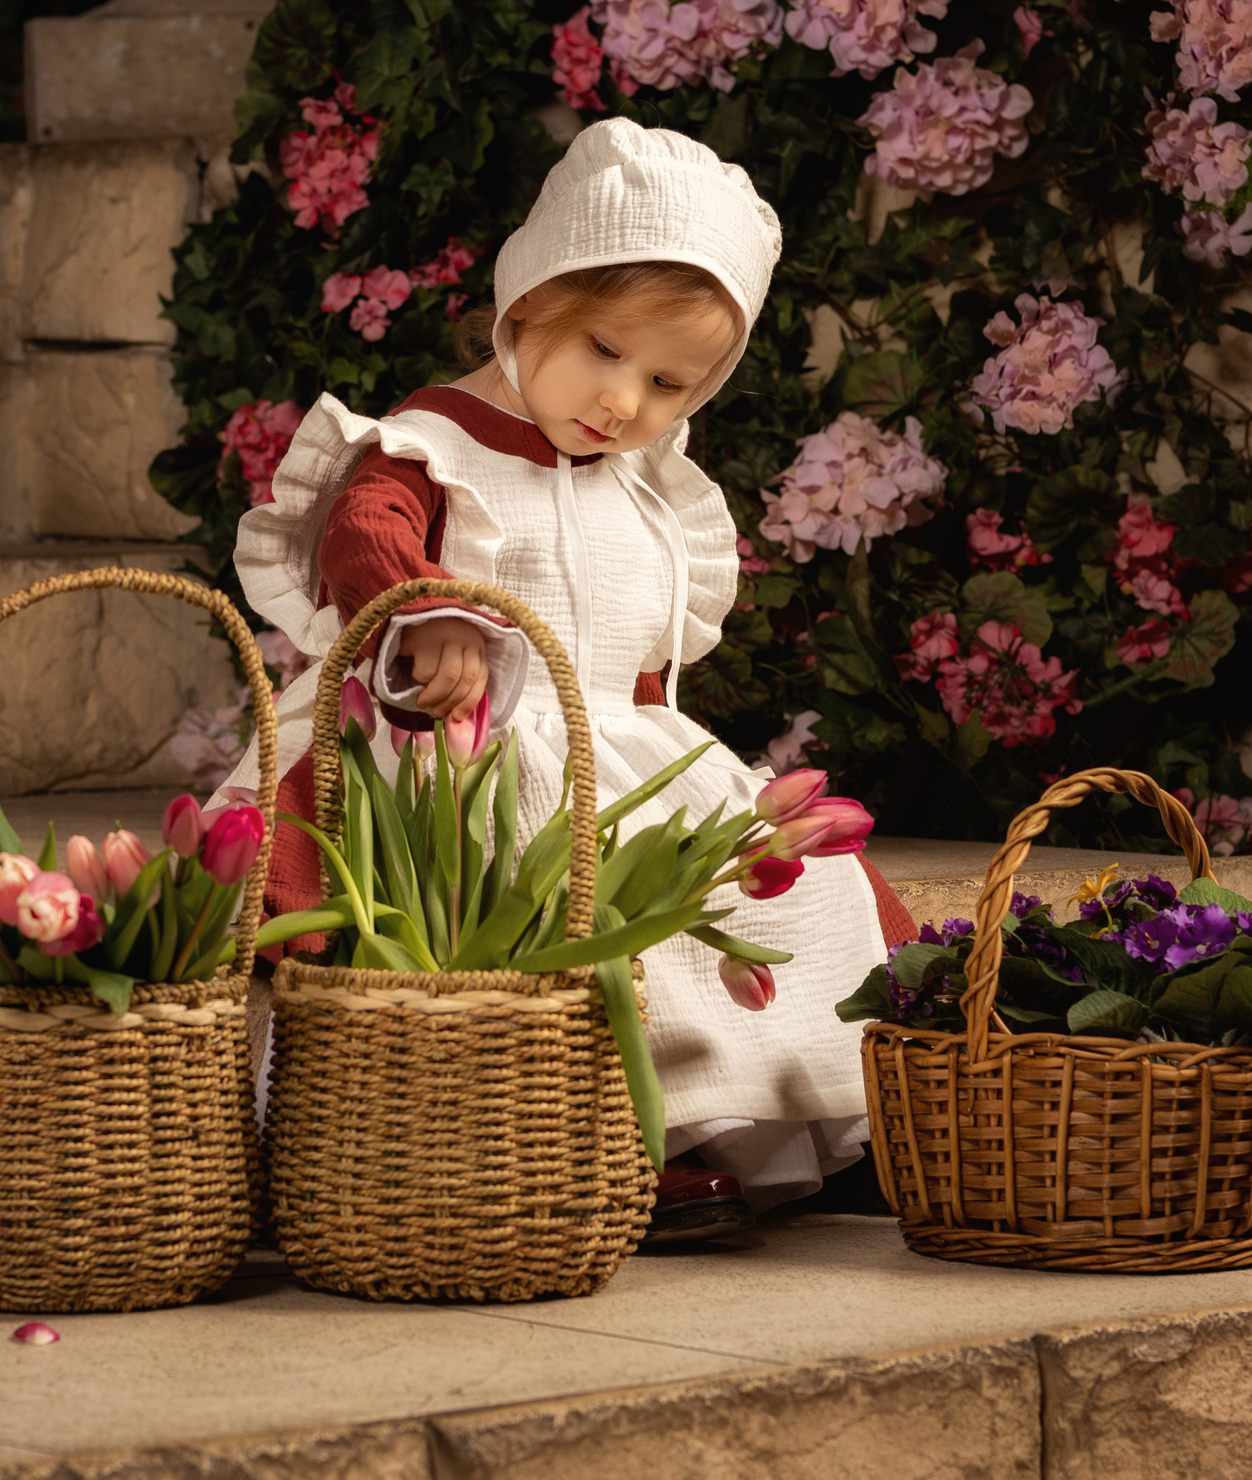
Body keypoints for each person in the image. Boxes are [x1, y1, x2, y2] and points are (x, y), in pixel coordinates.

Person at [224, 118, 915, 1234]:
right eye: (604, 349)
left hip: (620, 749)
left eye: (668, 382)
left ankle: (786, 1124)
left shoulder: (642, 485)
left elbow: (635, 655)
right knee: (543, 884)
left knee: (778, 879)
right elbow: (364, 534)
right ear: (532, 300)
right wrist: (425, 615)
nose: (624, 401)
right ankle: (586, 1138)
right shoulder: (427, 445)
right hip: (452, 751)